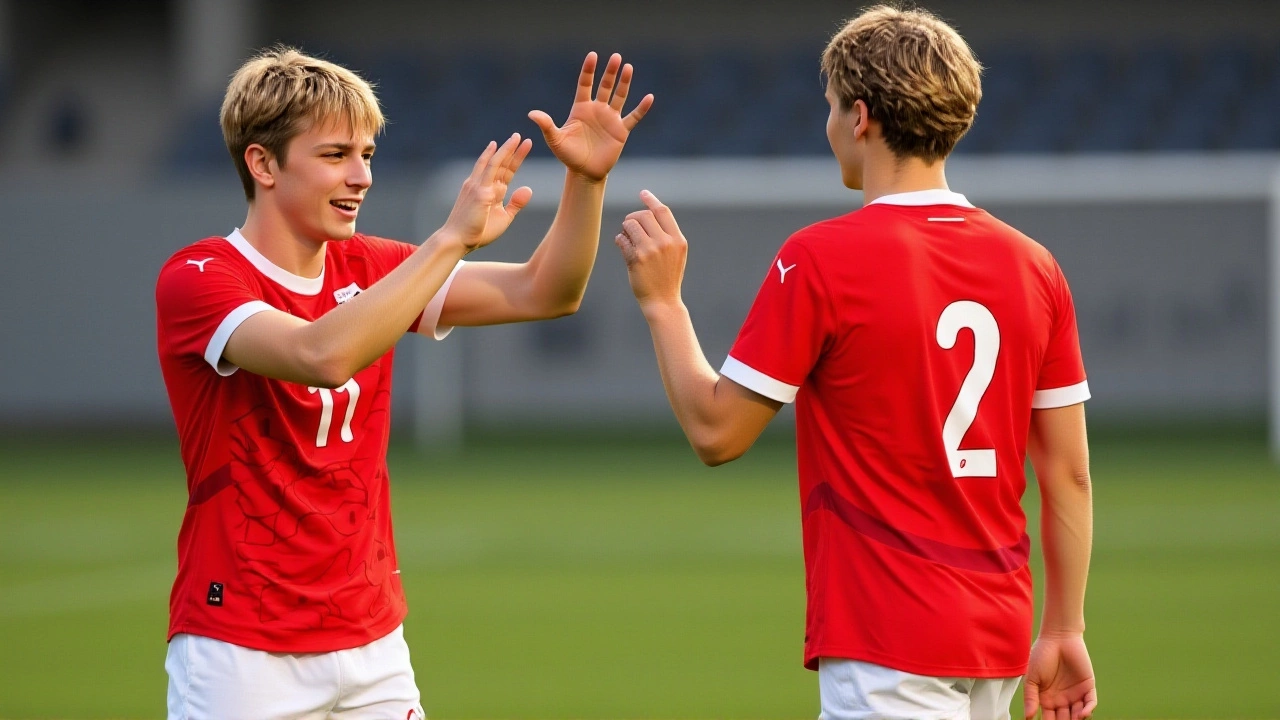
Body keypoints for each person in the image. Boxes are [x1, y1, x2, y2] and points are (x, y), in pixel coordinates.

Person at [612, 7, 1096, 720]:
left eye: (832, 107)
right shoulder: (1034, 265)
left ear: (861, 116)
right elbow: (1068, 472)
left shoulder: (822, 258)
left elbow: (718, 432)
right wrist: (1065, 627)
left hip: (886, 644)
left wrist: (662, 304)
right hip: (997, 641)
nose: (829, 125)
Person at [155, 46, 651, 719]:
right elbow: (320, 353)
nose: (361, 176)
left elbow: (546, 290)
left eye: (367, 155)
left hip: (372, 641)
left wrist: (586, 181)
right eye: (335, 155)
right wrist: (449, 240)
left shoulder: (374, 264)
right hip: (242, 651)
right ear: (263, 163)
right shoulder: (200, 278)